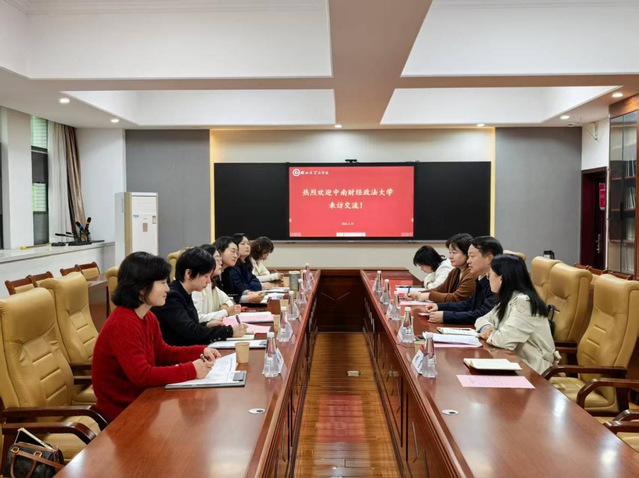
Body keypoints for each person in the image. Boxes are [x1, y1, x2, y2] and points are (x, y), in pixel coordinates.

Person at [92, 252, 221, 421]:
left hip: (145, 401)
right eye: (162, 283)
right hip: (123, 413)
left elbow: (163, 353)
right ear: (141, 287)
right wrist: (192, 370)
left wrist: (201, 350)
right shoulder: (123, 322)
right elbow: (142, 375)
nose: (167, 288)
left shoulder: (148, 316)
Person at [475, 254, 560, 374]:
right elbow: (481, 320)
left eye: (490, 275)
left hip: (534, 369)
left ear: (501, 278)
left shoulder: (524, 302)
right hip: (513, 361)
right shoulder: (508, 298)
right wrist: (488, 328)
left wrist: (490, 334)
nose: (488, 279)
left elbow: (505, 341)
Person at [153, 247, 247, 346]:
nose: (209, 281)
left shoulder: (185, 292)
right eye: (206, 276)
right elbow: (190, 332)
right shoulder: (172, 296)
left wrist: (206, 324)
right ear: (189, 274)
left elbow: (189, 325)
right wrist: (229, 331)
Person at [419, 236, 503, 325]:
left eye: (472, 256)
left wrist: (446, 316)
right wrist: (439, 306)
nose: (468, 261)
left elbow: (484, 314)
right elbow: (469, 304)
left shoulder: (497, 282)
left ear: (489, 258)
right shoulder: (480, 278)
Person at [409, 233, 475, 303]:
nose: (450, 256)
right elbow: (440, 289)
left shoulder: (471, 273)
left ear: (467, 253)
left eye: (454, 252)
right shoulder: (455, 271)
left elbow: (456, 297)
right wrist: (419, 294)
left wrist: (428, 296)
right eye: (450, 252)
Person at [192, 244, 242, 324]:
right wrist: (225, 312)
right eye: (217, 260)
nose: (221, 263)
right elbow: (198, 318)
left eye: (220, 260)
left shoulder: (211, 283)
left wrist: (225, 305)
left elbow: (230, 300)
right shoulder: (196, 286)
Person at [214, 236, 265, 303]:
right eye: (233, 251)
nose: (235, 256)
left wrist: (247, 293)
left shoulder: (227, 271)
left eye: (237, 253)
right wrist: (248, 297)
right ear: (220, 252)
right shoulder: (213, 276)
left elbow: (231, 294)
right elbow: (224, 300)